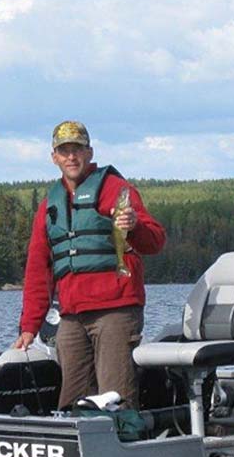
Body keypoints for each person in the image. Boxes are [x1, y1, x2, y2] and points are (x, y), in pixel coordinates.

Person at [13, 120, 166, 409]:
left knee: (114, 397)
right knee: (72, 401)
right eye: (64, 151)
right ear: (54, 157)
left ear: (90, 152)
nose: (72, 157)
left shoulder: (117, 189)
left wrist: (134, 225)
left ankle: (124, 448)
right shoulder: (50, 205)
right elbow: (38, 270)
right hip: (71, 316)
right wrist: (29, 326)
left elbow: (155, 241)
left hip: (116, 311)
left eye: (78, 150)